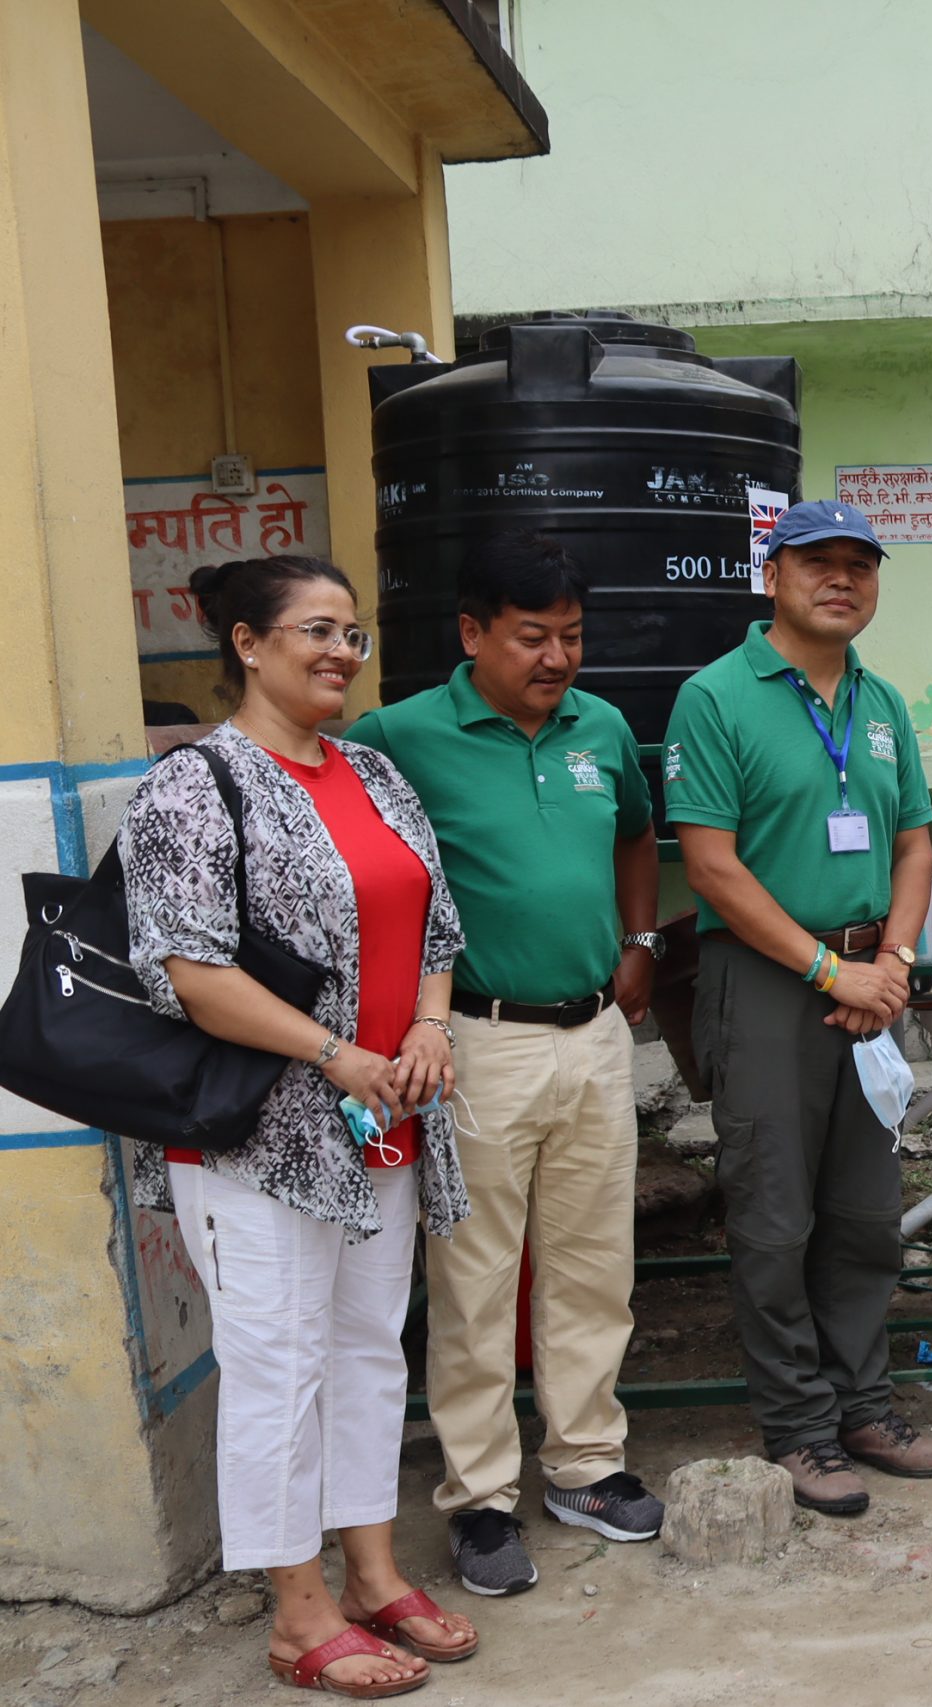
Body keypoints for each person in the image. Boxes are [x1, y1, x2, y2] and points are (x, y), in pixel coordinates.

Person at [122, 554, 473, 1696]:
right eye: (317, 631)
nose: (341, 652)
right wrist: (338, 1054)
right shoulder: (193, 786)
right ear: (248, 643)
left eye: (353, 634)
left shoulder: (371, 771)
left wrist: (427, 1032)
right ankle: (296, 1609)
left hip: (386, 1120)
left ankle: (372, 1569)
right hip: (259, 1133)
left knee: (371, 1352)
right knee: (278, 1368)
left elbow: (436, 924)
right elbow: (188, 971)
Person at [344, 534, 666, 1593]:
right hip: (473, 1041)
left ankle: (585, 1464)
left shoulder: (603, 725)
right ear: (473, 631)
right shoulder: (398, 737)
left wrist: (639, 942)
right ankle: (479, 1499)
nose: (557, 658)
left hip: (593, 1036)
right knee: (474, 1280)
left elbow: (633, 834)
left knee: (592, 1267)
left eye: (572, 636)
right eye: (533, 637)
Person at [663, 500, 932, 1516]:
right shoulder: (717, 696)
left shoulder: (880, 702)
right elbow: (711, 866)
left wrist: (897, 960)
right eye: (817, 564)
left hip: (874, 982)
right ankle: (798, 1428)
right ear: (770, 576)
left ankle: (864, 1404)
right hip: (771, 986)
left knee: (864, 1214)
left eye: (859, 566)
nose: (842, 581)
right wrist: (835, 976)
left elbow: (914, 841)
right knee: (775, 1218)